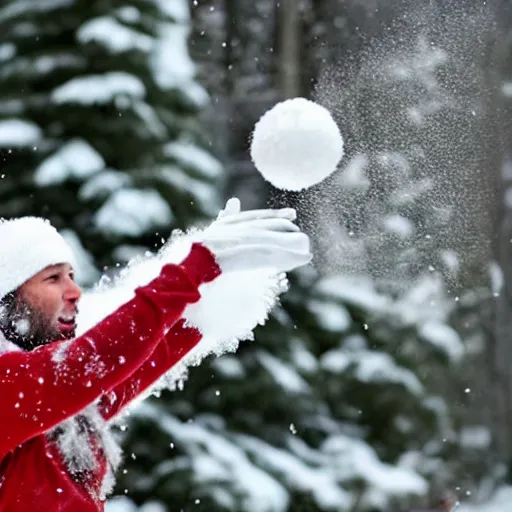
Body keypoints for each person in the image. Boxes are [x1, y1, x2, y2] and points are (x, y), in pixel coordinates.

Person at [0, 198, 311, 511]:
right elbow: (92, 362)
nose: (74, 290)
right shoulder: (8, 383)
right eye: (53, 278)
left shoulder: (59, 408)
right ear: (8, 298)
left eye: (71, 276)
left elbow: (140, 359)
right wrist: (197, 267)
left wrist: (221, 285)